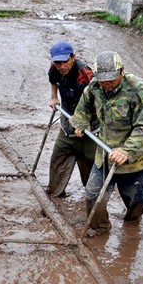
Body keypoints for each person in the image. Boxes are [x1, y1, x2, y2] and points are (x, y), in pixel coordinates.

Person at [72, 51, 143, 231]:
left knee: (133, 201)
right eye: (102, 79)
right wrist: (81, 123)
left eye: (111, 79)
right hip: (105, 154)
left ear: (122, 71)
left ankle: (132, 227)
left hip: (134, 160)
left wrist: (125, 151)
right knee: (93, 194)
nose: (106, 84)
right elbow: (83, 108)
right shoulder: (95, 86)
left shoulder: (138, 89)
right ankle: (100, 229)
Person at [47, 40, 97, 198]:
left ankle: (91, 198)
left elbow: (99, 100)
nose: (61, 66)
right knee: (58, 158)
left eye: (65, 62)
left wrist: (83, 119)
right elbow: (53, 80)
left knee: (90, 164)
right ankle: (55, 193)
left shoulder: (86, 74)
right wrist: (54, 97)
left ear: (73, 57)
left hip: (90, 129)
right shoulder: (54, 68)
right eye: (58, 63)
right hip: (67, 124)